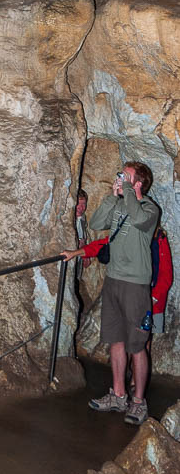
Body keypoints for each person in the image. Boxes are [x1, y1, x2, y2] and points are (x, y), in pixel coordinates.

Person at [63, 162, 159, 426]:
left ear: (138, 183)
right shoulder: (119, 203)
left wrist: (127, 191)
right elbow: (96, 222)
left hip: (136, 285)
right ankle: (118, 394)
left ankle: (138, 401)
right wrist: (112, 195)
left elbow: (138, 219)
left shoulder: (150, 209)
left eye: (126, 176)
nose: (120, 177)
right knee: (115, 340)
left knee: (137, 345)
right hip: (113, 281)